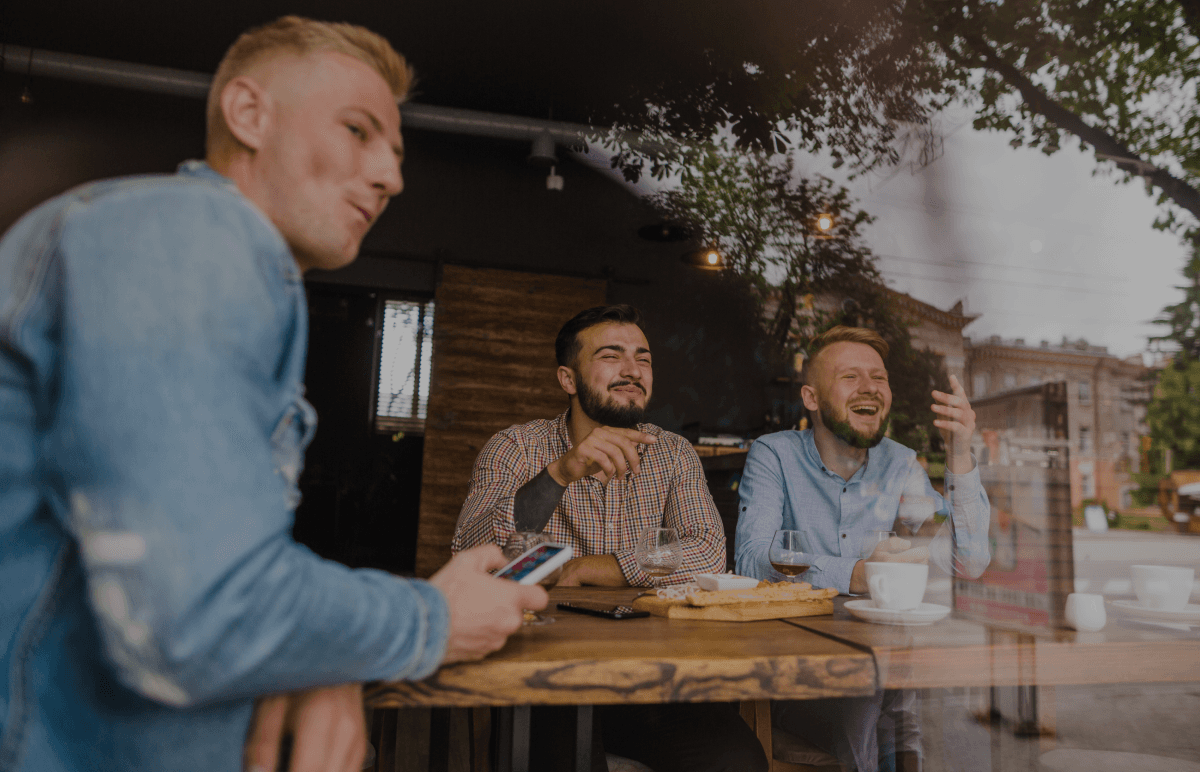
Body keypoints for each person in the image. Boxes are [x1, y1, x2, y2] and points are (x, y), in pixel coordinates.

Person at [0, 16, 545, 772]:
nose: (392, 176)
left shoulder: (225, 261)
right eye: (359, 131)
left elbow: (220, 579)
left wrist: (320, 658)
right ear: (249, 115)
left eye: (394, 152)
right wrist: (430, 618)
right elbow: (199, 617)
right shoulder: (188, 236)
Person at [452, 304, 766, 772]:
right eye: (611, 356)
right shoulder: (516, 447)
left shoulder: (673, 452)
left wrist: (580, 568)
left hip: (655, 677)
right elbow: (472, 557)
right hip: (545, 676)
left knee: (739, 762)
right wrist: (561, 472)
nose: (632, 370)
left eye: (643, 358)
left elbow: (709, 555)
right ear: (568, 379)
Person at [735, 325, 991, 772]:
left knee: (902, 694)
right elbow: (753, 557)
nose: (871, 387)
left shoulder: (901, 463)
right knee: (881, 694)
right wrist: (860, 573)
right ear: (811, 398)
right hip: (799, 676)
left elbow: (965, 560)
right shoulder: (773, 455)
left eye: (879, 377)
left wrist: (960, 452)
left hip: (888, 668)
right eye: (851, 377)